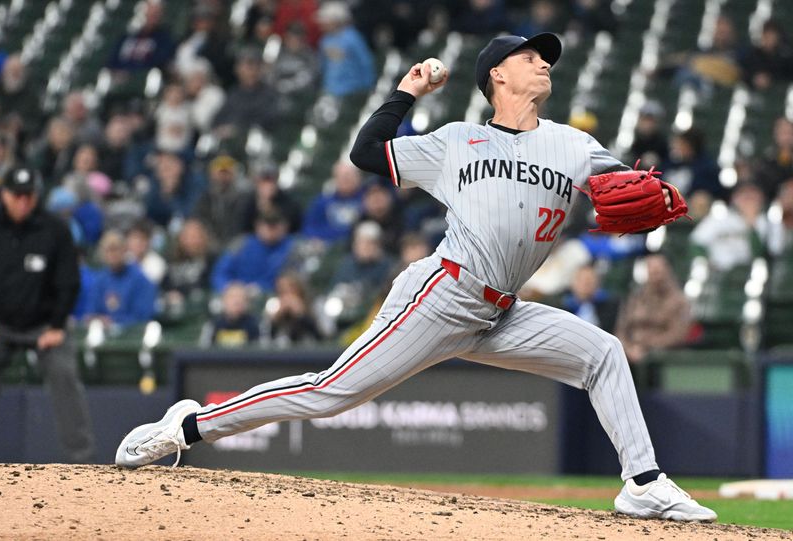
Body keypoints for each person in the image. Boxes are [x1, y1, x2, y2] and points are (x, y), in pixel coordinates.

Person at [115, 33, 717, 523]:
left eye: (546, 58)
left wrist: (658, 191)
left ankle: (643, 483)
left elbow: (630, 189)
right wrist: (406, 92)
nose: (543, 64)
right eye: (529, 57)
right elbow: (366, 152)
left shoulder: (574, 145)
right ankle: (187, 426)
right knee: (332, 393)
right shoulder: (458, 142)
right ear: (497, 77)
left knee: (603, 353)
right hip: (441, 294)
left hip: (503, 311)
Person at [0, 167, 94, 462]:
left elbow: (69, 282)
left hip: (45, 325)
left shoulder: (55, 229)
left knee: (64, 375)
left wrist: (58, 325)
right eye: (17, 195)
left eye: (29, 196)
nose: (23, 202)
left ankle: (82, 460)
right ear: (5, 194)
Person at [615, 254, 691, 364]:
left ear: (667, 272)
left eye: (658, 272)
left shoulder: (679, 301)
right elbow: (621, 329)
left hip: (662, 359)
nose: (655, 276)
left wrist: (646, 347)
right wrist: (628, 348)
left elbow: (677, 335)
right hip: (629, 355)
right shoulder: (636, 298)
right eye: (651, 271)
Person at [85, 230, 157, 330]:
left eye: (115, 249)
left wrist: (113, 321)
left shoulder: (140, 280)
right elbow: (91, 312)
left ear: (124, 250)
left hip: (132, 338)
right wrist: (97, 320)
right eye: (108, 250)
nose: (112, 255)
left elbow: (142, 317)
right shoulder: (100, 280)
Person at [200, 282, 260, 348]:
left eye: (241, 297)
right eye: (232, 297)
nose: (237, 301)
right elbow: (204, 351)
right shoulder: (212, 325)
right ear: (224, 300)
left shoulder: (255, 325)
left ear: (247, 303)